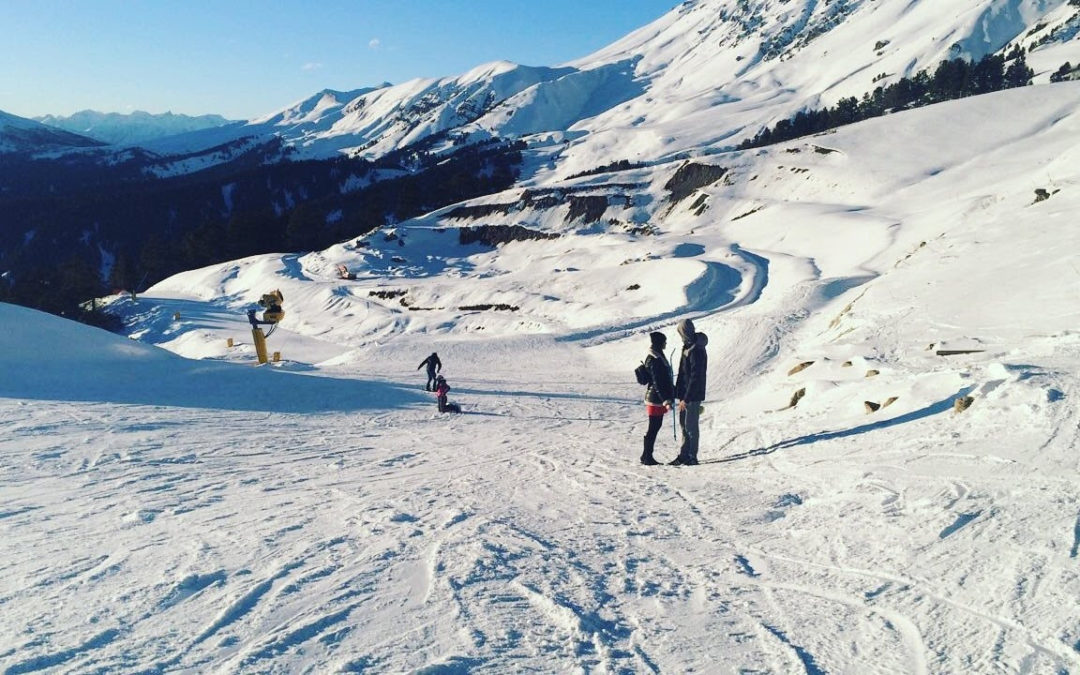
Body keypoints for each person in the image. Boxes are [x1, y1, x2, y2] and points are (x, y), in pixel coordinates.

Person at [671, 319, 708, 466]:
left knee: (691, 426)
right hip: (684, 395)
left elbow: (695, 376)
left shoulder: (697, 349)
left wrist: (686, 398)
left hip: (692, 395)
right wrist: (677, 392)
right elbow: (683, 373)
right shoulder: (687, 346)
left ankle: (692, 456)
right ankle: (684, 454)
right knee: (683, 424)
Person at [641, 331, 675, 466]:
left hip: (656, 397)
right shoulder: (655, 359)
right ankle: (647, 456)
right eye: (664, 341)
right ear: (659, 343)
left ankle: (646, 455)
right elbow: (658, 382)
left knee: (655, 426)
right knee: (654, 427)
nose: (666, 343)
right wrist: (666, 400)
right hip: (655, 398)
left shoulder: (657, 356)